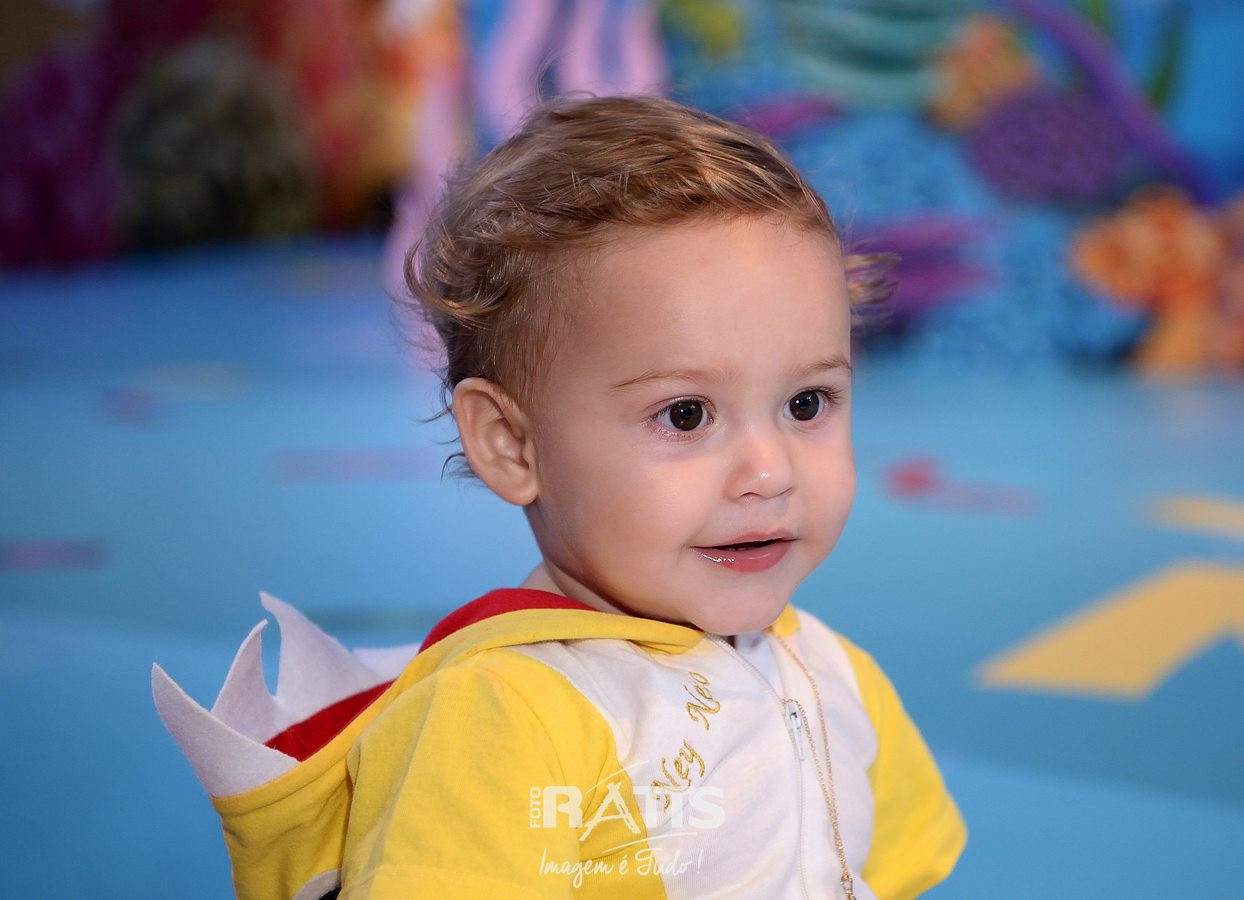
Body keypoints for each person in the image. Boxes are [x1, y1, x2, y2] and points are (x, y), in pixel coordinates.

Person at [154, 95, 966, 899]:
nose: (771, 470)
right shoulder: (504, 716)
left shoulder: (829, 671)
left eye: (806, 403)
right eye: (686, 415)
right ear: (513, 444)